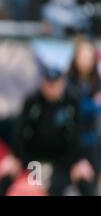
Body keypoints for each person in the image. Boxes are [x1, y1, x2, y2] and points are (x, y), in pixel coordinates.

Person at [0, 66, 96, 196]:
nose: (51, 88)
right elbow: (19, 130)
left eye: (55, 84)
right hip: (33, 153)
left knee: (82, 173)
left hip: (63, 156)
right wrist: (15, 156)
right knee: (7, 169)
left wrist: (79, 159)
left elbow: (78, 133)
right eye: (48, 84)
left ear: (62, 84)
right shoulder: (32, 101)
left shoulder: (72, 103)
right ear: (43, 83)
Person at [68, 37, 101, 194]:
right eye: (83, 57)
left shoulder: (96, 81)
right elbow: (75, 108)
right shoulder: (68, 82)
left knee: (90, 186)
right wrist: (93, 105)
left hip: (92, 143)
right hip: (71, 142)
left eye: (90, 57)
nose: (87, 61)